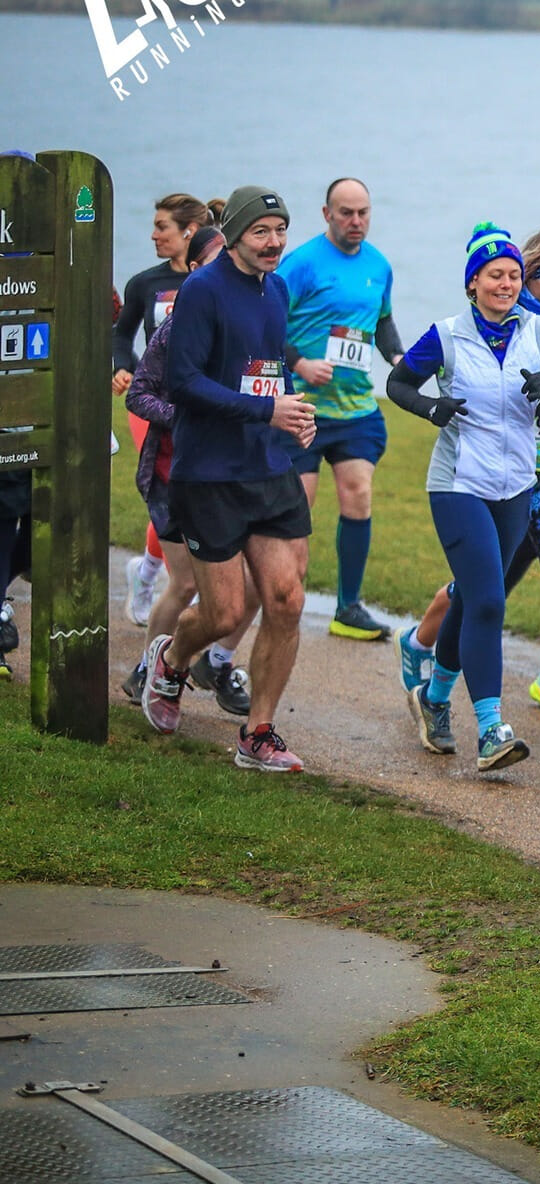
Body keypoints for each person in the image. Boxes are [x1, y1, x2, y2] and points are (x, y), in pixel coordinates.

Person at [385, 223, 540, 772]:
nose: (505, 283)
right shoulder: (447, 335)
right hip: (458, 485)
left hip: (516, 485)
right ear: (473, 282)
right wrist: (432, 409)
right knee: (490, 600)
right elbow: (398, 384)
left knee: (474, 597)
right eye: (494, 275)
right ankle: (492, 728)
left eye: (513, 275)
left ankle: (432, 700)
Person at [143, 186, 317, 773]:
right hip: (210, 473)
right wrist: (266, 411)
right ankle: (170, 662)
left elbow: (259, 371)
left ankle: (258, 733)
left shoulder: (278, 289)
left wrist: (290, 412)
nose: (274, 243)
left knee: (287, 599)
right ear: (237, 233)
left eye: (280, 231)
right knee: (221, 613)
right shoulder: (202, 290)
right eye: (262, 232)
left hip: (267, 467)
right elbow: (185, 383)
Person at [276, 177, 404, 642]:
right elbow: (265, 319)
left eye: (363, 212)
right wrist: (300, 363)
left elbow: (384, 321)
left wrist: (397, 359)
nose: (356, 221)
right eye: (346, 212)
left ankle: (348, 607)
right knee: (298, 508)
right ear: (326, 213)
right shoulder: (302, 263)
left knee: (358, 494)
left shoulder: (378, 266)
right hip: (301, 407)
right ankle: (284, 598)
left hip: (354, 408)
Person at [120, 294, 259, 720]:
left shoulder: (254, 316)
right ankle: (149, 671)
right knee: (184, 583)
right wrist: (187, 417)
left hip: (232, 474)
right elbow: (137, 396)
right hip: (175, 475)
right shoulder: (178, 326)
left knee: (257, 582)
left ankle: (215, 663)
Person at [113, 191, 212, 625]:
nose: (153, 235)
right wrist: (124, 368)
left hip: (199, 402)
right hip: (150, 404)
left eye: (162, 227)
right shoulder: (144, 284)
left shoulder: (211, 280)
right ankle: (172, 582)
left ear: (189, 232)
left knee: (188, 492)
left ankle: (148, 570)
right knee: (166, 488)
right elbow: (122, 335)